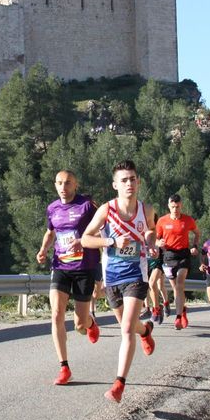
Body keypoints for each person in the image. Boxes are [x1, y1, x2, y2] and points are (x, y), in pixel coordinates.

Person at [82, 160, 157, 403]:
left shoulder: (146, 210)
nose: (129, 184)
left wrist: (151, 242)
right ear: (115, 185)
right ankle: (145, 331)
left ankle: (119, 385)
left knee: (126, 329)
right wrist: (111, 242)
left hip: (136, 274)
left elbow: (151, 230)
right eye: (124, 180)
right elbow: (86, 239)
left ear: (138, 181)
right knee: (131, 325)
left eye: (132, 179)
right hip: (112, 276)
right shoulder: (106, 210)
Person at [36, 171, 101, 386]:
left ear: (76, 185)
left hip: (84, 267)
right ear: (55, 185)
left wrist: (83, 241)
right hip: (60, 266)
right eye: (60, 183)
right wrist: (43, 249)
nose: (63, 187)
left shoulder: (87, 206)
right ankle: (64, 367)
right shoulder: (52, 208)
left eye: (68, 183)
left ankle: (90, 323)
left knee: (80, 325)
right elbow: (50, 232)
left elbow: (102, 231)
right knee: (56, 313)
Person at [154, 194, 199, 330]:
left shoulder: (188, 220)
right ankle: (183, 310)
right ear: (169, 206)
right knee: (176, 288)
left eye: (177, 207)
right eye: (173, 207)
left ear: (181, 206)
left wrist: (195, 246)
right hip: (168, 256)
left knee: (180, 284)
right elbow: (155, 238)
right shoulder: (162, 221)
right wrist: (158, 243)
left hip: (183, 255)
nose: (175, 209)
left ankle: (178, 317)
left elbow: (197, 233)